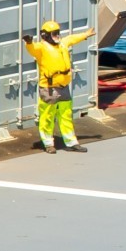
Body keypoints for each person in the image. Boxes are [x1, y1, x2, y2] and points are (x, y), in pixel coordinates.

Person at [21, 20, 95, 154]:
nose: (57, 36)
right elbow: (32, 50)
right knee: (47, 116)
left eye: (57, 33)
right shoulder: (41, 48)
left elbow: (72, 38)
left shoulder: (62, 44)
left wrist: (85, 34)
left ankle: (71, 142)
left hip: (63, 86)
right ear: (46, 35)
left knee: (66, 115)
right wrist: (29, 42)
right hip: (49, 88)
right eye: (54, 33)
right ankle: (48, 143)